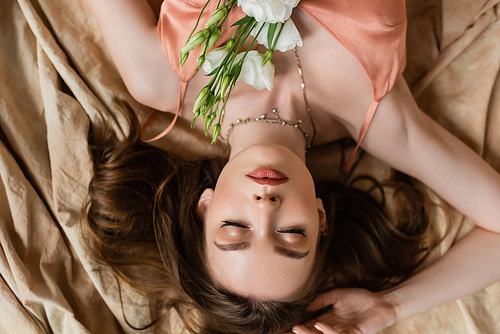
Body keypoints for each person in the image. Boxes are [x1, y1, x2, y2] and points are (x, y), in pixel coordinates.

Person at [82, 0, 500, 333]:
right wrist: (390, 306)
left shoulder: (158, 77)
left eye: (235, 228)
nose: (265, 206)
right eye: (291, 233)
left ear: (204, 206)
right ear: (320, 219)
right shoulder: (378, 119)